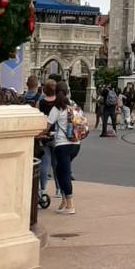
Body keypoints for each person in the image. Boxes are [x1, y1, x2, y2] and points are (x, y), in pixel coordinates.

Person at [47, 81, 80, 215]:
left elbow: (48, 125)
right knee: (61, 172)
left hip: (62, 144)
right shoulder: (74, 105)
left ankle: (70, 205)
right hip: (76, 143)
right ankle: (64, 201)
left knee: (64, 174)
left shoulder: (57, 108)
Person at [38, 78, 59, 197]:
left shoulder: (40, 102)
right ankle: (58, 189)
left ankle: (43, 189)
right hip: (56, 135)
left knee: (44, 163)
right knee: (56, 164)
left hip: (45, 135)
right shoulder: (59, 103)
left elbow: (38, 118)